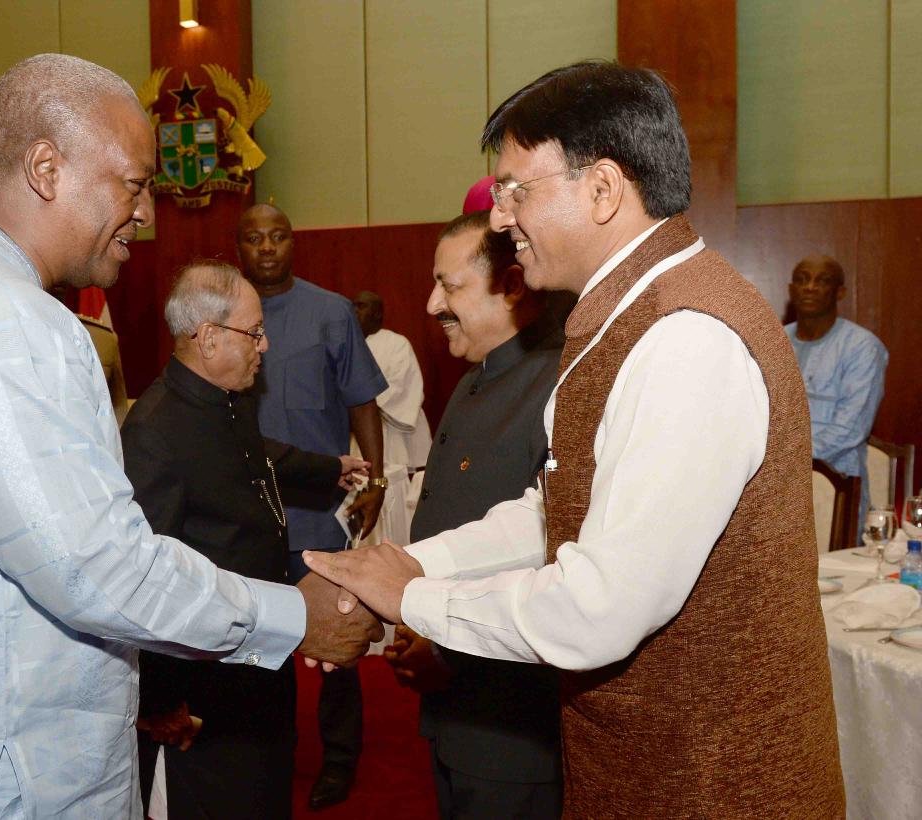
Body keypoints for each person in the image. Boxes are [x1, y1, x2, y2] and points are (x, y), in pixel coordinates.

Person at [0, 54, 382, 819]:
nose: (147, 213)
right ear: (46, 169)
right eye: (133, 184)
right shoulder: (5, 321)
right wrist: (292, 616)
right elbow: (93, 566)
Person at [306, 60, 845, 816]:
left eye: (515, 191)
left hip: (711, 783)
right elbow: (554, 512)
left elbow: (600, 608)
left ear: (602, 189)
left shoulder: (686, 336)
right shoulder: (628, 316)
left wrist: (414, 598)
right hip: (648, 768)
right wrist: (412, 562)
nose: (500, 220)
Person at [124, 261, 370, 820]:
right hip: (202, 696)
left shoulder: (227, 400)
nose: (265, 345)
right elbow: (145, 580)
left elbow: (258, 456)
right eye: (254, 332)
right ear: (209, 338)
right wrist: (161, 703)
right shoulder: (154, 432)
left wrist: (329, 467)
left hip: (258, 664)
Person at [383, 211, 563, 819]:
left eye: (449, 286)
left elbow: (550, 554)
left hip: (511, 724)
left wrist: (446, 653)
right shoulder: (474, 379)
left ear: (511, 286)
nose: (432, 304)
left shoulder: (558, 385)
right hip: (455, 712)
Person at [237, 202, 388, 809]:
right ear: (240, 247)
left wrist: (375, 480)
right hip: (249, 512)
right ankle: (270, 752)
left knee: (338, 638)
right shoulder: (225, 313)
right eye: (254, 238)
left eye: (277, 236)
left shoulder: (331, 312)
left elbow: (362, 401)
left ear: (293, 243)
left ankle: (340, 759)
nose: (267, 248)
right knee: (257, 640)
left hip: (319, 510)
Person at [785, 254, 887, 525]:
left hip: (836, 484)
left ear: (839, 292)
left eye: (822, 281)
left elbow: (850, 429)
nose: (810, 287)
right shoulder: (776, 340)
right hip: (776, 486)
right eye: (802, 280)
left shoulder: (862, 347)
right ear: (791, 290)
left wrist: (786, 460)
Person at [350, 289, 429, 546]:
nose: (355, 311)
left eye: (361, 306)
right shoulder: (350, 344)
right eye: (353, 305)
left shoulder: (396, 343)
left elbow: (397, 387)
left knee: (395, 490)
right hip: (358, 435)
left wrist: (358, 404)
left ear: (377, 313)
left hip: (393, 433)